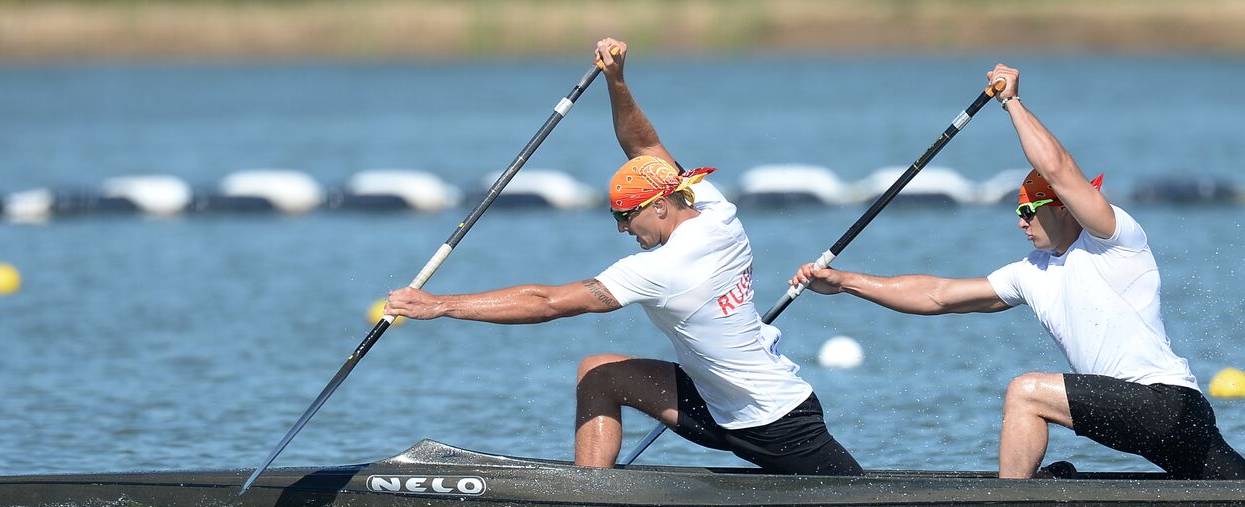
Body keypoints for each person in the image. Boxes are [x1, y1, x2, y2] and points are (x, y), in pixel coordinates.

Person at [385, 38, 862, 476]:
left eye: (625, 217)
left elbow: (549, 302)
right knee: (599, 373)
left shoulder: (664, 268)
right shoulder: (714, 208)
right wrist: (616, 82)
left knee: (854, 498)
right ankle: (592, 495)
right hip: (716, 404)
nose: (621, 229)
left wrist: (441, 305)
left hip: (775, 421)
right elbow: (645, 147)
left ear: (659, 206)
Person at [790, 63, 1245, 481]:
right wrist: (846, 282)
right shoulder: (1031, 273)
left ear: (1064, 207)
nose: (1021, 221)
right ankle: (1049, 490)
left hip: (1167, 406)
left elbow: (1058, 168)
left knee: (1026, 392)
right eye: (1018, 210)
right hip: (1132, 415)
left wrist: (1011, 102)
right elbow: (937, 295)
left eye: (1029, 209)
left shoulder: (1114, 240)